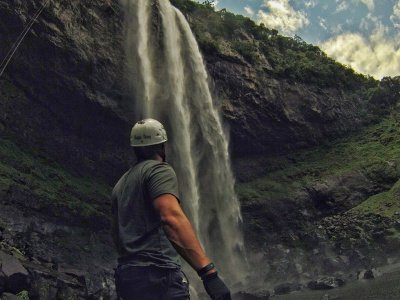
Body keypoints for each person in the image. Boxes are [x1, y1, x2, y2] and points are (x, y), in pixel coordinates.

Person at [111, 118, 231, 300]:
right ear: (162, 146)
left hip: (128, 278)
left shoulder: (120, 185)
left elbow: (117, 234)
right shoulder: (158, 171)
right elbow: (171, 218)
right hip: (158, 276)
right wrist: (208, 273)